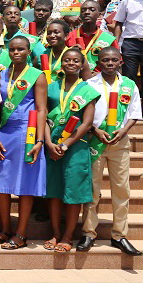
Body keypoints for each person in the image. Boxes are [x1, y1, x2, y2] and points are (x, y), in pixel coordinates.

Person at [80, 47, 143, 256]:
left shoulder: (129, 85)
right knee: (92, 189)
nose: (109, 63)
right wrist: (94, 130)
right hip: (95, 141)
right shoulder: (90, 84)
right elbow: (83, 114)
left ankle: (119, 235)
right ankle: (89, 232)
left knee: (121, 189)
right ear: (99, 62)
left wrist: (124, 130)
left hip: (119, 141)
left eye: (114, 60)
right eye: (105, 60)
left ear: (121, 62)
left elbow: (134, 113)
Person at [0, 36, 48, 250]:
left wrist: (40, 139)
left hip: (27, 133)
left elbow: (41, 109)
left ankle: (21, 233)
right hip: (4, 132)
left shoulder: (37, 76)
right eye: (12, 49)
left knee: (25, 185)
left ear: (28, 51)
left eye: (21, 49)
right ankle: (5, 229)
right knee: (1, 184)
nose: (16, 53)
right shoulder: (1, 74)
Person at [43, 48, 98, 253]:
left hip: (76, 147)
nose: (71, 63)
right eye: (67, 60)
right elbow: (45, 118)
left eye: (76, 60)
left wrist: (66, 145)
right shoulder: (51, 88)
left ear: (83, 64)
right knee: (55, 192)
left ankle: (67, 236)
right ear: (62, 63)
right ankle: (56, 233)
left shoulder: (88, 89)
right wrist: (49, 143)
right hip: (53, 146)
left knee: (73, 193)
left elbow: (87, 123)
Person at [66, 0, 117, 73]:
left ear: (99, 15)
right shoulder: (70, 36)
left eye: (92, 10)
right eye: (83, 10)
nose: (87, 12)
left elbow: (117, 64)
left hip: (100, 79)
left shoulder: (109, 39)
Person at [113, 0, 143, 86]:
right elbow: (118, 23)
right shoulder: (128, 0)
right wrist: (116, 44)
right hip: (131, 43)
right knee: (129, 76)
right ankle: (127, 100)